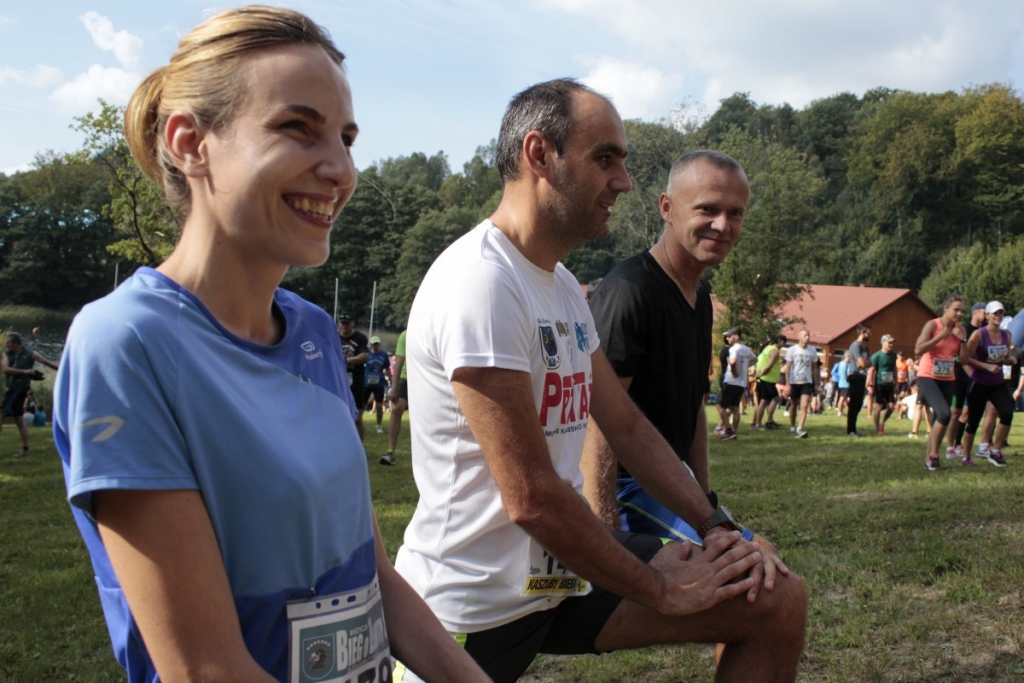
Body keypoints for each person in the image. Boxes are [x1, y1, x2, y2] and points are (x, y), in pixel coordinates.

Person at [51, 8, 489, 682]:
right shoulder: (125, 343)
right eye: (297, 128)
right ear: (190, 143)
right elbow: (206, 667)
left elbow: (374, 573)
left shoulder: (312, 330)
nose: (340, 169)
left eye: (346, 138)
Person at [394, 79, 806, 683]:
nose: (624, 181)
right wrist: (659, 589)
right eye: (605, 158)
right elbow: (532, 498)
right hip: (471, 607)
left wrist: (714, 525)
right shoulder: (480, 283)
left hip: (559, 580)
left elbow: (628, 426)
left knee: (774, 597)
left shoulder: (562, 284)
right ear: (540, 155)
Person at [585, 149, 747, 531]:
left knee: (762, 558)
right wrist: (607, 538)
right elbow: (596, 424)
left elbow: (694, 406)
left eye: (735, 213)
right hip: (625, 489)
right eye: (708, 209)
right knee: (752, 569)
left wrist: (705, 505)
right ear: (667, 208)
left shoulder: (700, 296)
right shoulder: (630, 291)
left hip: (670, 483)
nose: (722, 225)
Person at [914, 294, 967, 471]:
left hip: (948, 377)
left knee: (940, 418)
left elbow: (964, 360)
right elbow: (918, 349)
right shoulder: (933, 325)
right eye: (956, 310)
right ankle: (934, 455)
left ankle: (928, 460)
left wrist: (963, 340)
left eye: (962, 311)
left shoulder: (961, 330)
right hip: (928, 375)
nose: (960, 314)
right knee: (945, 413)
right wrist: (941, 336)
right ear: (946, 308)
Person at [959, 301, 1015, 467]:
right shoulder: (979, 334)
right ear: (988, 315)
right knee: (973, 421)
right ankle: (966, 457)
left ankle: (995, 450)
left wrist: (1010, 360)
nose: (998, 316)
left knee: (1007, 413)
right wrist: (986, 366)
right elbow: (966, 359)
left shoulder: (1006, 335)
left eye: (1001, 313)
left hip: (997, 383)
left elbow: (1004, 358)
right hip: (980, 382)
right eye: (995, 313)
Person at [2, 332, 59, 457]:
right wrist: (25, 371)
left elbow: (47, 363)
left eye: (9, 343)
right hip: (10, 389)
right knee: (19, 420)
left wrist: (64, 370)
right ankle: (26, 449)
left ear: (16, 343)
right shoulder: (6, 354)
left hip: (20, 389)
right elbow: (5, 369)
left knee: (1, 414)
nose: (7, 345)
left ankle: (25, 450)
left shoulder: (30, 354)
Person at [720, 328, 756, 441]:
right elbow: (755, 359)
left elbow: (733, 361)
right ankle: (734, 432)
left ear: (736, 336)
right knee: (735, 408)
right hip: (741, 383)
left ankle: (728, 431)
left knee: (721, 407)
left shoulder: (734, 349)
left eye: (729, 336)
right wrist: (745, 366)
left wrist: (734, 371)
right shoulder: (746, 349)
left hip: (731, 381)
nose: (727, 338)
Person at [338, 312, 369, 439]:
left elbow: (365, 356)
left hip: (356, 380)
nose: (345, 326)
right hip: (339, 379)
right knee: (340, 416)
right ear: (339, 324)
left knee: (357, 418)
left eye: (347, 323)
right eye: (342, 323)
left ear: (353, 324)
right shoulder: (334, 337)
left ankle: (360, 446)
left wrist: (346, 360)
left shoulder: (360, 338)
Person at [781, 330, 818, 438]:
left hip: (807, 381)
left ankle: (800, 428)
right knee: (793, 405)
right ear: (799, 337)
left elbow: (815, 368)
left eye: (808, 335)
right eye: (805, 335)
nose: (807, 337)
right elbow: (788, 367)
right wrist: (787, 384)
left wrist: (817, 382)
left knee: (805, 405)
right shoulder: (792, 350)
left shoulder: (812, 350)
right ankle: (792, 427)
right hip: (794, 381)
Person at [381, 329, 408, 466]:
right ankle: (390, 451)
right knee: (396, 409)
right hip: (405, 378)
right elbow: (398, 363)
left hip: (424, 378)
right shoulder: (405, 335)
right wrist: (394, 387)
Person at [752, 334, 786, 430]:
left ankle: (769, 421)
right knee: (763, 402)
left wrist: (759, 373)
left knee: (776, 399)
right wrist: (761, 374)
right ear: (781, 342)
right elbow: (769, 366)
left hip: (768, 379)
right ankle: (758, 424)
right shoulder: (774, 351)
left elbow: (761, 362)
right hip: (768, 379)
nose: (783, 346)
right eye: (784, 344)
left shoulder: (767, 348)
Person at [869, 334, 898, 435]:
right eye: (889, 342)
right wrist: (870, 385)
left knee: (891, 406)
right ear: (883, 343)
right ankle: (876, 428)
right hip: (879, 384)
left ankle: (882, 423)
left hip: (889, 384)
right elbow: (872, 370)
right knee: (878, 407)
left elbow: (894, 369)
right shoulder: (877, 356)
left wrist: (896, 383)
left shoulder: (893, 355)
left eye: (892, 343)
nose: (891, 344)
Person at [364, 335, 392, 433]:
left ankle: (379, 425)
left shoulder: (384, 355)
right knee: (361, 405)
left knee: (379, 406)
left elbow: (387, 368)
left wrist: (391, 380)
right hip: (367, 383)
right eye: (373, 344)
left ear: (379, 344)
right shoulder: (367, 354)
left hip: (379, 383)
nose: (375, 346)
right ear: (371, 345)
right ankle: (358, 423)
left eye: (376, 344)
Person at [847, 324, 871, 436]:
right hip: (856, 376)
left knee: (858, 405)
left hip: (862, 376)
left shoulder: (865, 347)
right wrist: (866, 363)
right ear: (862, 333)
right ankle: (850, 430)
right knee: (854, 405)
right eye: (868, 333)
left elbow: (868, 362)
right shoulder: (855, 346)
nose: (869, 335)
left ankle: (854, 429)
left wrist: (866, 363)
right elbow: (863, 363)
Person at [832, 351, 851, 417]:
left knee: (843, 398)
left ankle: (842, 412)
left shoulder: (839, 364)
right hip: (846, 383)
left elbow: (834, 372)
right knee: (842, 398)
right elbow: (848, 374)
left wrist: (839, 376)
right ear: (847, 357)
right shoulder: (848, 364)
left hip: (840, 383)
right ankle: (839, 412)